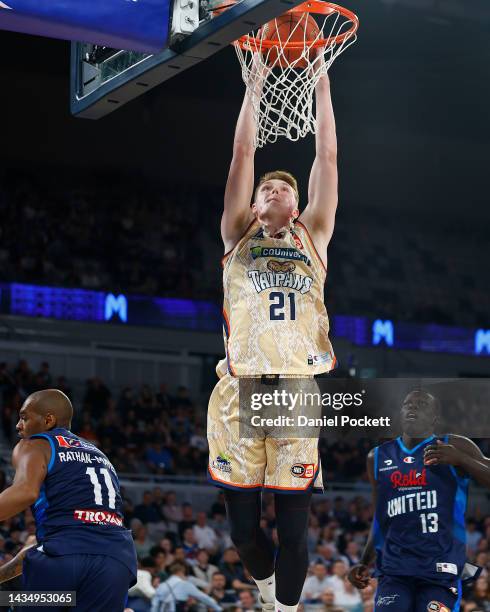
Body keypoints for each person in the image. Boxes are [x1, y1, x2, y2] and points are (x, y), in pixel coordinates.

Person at [207, 53, 338, 612]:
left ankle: (284, 609)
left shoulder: (315, 236)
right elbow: (242, 152)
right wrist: (255, 86)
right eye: (269, 189)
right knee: (241, 533)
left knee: (295, 530)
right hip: (239, 392)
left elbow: (327, 156)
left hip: (294, 391)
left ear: (297, 203)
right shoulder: (236, 235)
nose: (278, 191)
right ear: (255, 204)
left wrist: (322, 80)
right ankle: (266, 590)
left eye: (286, 189)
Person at [348, 389, 490, 611]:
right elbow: (380, 517)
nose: (412, 407)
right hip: (394, 569)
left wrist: (461, 459)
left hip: (441, 570)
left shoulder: (454, 445)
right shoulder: (377, 457)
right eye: (407, 404)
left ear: (435, 419)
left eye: (422, 404)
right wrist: (365, 561)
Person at [0, 388, 137, 611]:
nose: (18, 425)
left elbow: (25, 491)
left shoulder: (35, 444)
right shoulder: (100, 455)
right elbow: (82, 536)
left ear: (48, 420)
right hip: (117, 562)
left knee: (8, 600)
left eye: (24, 417)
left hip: (62, 560)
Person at [150, 561, 223, 612]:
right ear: (182, 571)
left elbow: (155, 605)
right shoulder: (185, 584)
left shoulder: (162, 585)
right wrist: (219, 609)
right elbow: (204, 598)